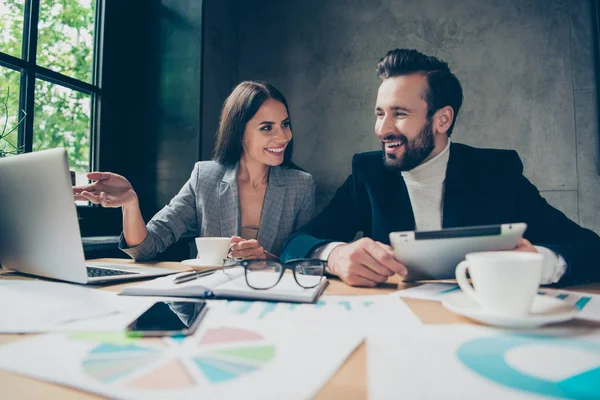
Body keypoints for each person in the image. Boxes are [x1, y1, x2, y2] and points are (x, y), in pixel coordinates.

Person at [281, 48, 600, 287]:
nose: (382, 129)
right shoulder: (368, 173)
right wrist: (334, 256)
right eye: (380, 113)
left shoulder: (497, 172)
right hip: (396, 329)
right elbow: (295, 244)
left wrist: (540, 263)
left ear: (442, 119)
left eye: (400, 114)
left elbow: (590, 250)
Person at [74, 81, 315, 261]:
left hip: (275, 306)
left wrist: (267, 259)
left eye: (285, 124)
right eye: (266, 128)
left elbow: (306, 260)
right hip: (209, 303)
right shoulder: (205, 178)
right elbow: (146, 247)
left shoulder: (301, 185)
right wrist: (130, 205)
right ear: (239, 133)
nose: (283, 136)